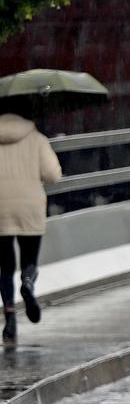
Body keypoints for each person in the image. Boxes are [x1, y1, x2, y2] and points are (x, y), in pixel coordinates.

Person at [0, 112, 62, 344]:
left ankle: (9, 319)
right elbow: (53, 175)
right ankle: (27, 282)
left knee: (5, 266)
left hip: (0, 208)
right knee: (29, 259)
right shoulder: (37, 139)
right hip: (30, 207)